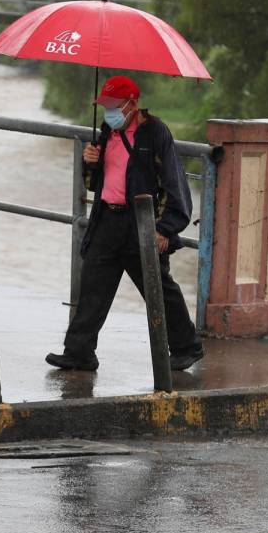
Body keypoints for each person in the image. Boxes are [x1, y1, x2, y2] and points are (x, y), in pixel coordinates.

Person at [46, 74, 206, 372]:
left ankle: (187, 347)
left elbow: (175, 185)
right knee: (93, 286)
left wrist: (165, 229)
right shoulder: (107, 130)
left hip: (141, 223)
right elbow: (96, 182)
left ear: (132, 104)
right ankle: (79, 352)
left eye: (112, 105)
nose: (108, 111)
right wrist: (90, 161)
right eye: (104, 105)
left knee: (158, 287)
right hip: (106, 219)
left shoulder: (155, 133)